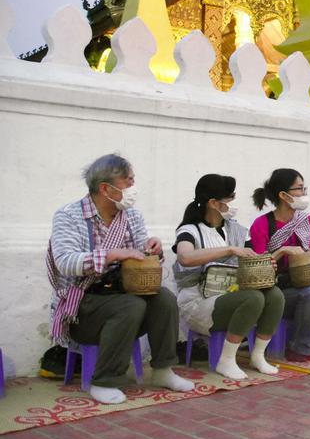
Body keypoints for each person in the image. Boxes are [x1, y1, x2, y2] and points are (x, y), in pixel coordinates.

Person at [47, 154, 194, 405]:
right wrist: (113, 254)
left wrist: (152, 251)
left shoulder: (132, 216)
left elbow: (139, 262)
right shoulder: (69, 216)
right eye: (128, 182)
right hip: (82, 305)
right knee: (132, 305)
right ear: (106, 188)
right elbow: (66, 263)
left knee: (164, 298)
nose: (133, 188)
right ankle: (104, 380)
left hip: (122, 294)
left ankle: (162, 370)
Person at [173, 174, 284, 379]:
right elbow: (185, 257)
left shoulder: (237, 229)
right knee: (253, 298)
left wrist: (268, 262)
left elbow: (254, 258)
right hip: (198, 301)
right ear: (213, 203)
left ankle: (258, 355)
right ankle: (226, 360)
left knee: (274, 295)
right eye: (229, 198)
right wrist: (229, 250)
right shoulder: (190, 230)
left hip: (232, 294)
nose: (233, 203)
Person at [249, 169, 310, 362]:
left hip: (301, 281)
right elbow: (257, 270)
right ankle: (299, 347)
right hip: (276, 290)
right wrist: (283, 251)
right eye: (299, 189)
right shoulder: (262, 224)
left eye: (303, 188)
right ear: (283, 195)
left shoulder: (305, 220)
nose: (304, 193)